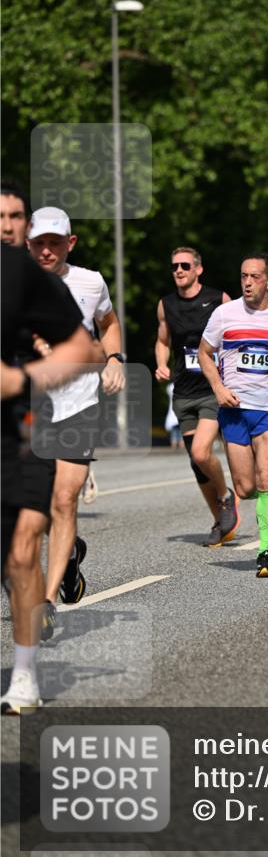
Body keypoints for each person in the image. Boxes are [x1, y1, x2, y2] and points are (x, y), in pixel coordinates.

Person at [1, 243, 100, 713]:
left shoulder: (32, 276)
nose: (10, 227)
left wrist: (26, 376)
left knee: (47, 519)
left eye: (16, 217)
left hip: (45, 415)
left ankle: (25, 670)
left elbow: (90, 344)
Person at [26, 207, 126, 640]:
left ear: (71, 243)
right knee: (36, 506)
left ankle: (45, 603)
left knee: (64, 500)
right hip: (30, 407)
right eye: (39, 243)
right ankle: (68, 558)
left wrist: (116, 359)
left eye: (55, 242)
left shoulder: (90, 282)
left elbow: (109, 323)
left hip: (79, 405)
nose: (46, 250)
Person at [199, 253, 268, 577]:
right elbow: (205, 352)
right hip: (234, 409)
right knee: (245, 488)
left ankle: (265, 553)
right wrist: (217, 386)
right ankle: (267, 488)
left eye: (254, 276)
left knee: (264, 477)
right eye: (243, 275)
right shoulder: (223, 314)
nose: (246, 282)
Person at [155, 247, 237, 545]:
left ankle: (226, 498)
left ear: (198, 269)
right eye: (174, 266)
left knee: (202, 452)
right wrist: (161, 364)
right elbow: (162, 340)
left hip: (212, 389)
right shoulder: (166, 305)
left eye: (185, 265)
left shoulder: (219, 300)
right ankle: (220, 521)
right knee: (195, 461)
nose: (179, 270)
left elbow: (236, 336)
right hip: (183, 391)